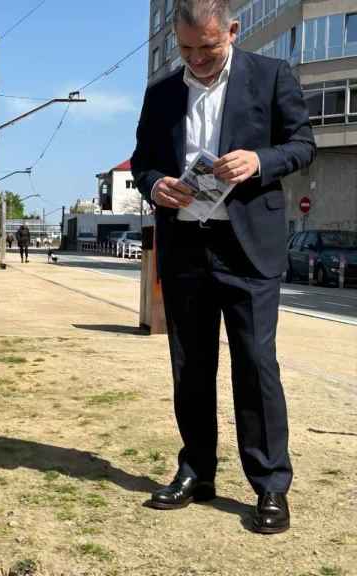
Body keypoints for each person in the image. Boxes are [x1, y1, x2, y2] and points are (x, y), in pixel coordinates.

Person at [130, 0, 314, 534]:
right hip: (185, 245)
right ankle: (197, 470)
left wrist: (260, 161)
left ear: (232, 31)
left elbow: (302, 145)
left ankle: (270, 485)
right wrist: (156, 185)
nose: (196, 59)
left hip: (248, 249)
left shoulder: (271, 75)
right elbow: (143, 162)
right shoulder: (162, 92)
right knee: (190, 367)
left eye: (207, 48)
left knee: (255, 366)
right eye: (185, 48)